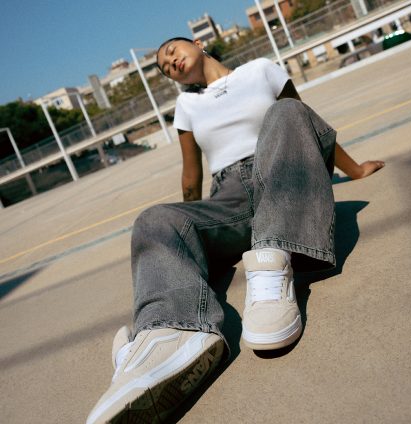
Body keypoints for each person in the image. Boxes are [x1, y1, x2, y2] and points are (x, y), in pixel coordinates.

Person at [86, 37, 384, 424]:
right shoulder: (187, 107)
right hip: (228, 198)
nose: (171, 63)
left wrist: (354, 169)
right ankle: (170, 336)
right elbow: (191, 177)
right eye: (165, 68)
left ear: (198, 44)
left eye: (172, 52)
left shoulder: (260, 70)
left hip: (284, 172)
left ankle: (272, 270)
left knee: (286, 111)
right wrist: (188, 232)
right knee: (154, 220)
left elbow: (305, 124)